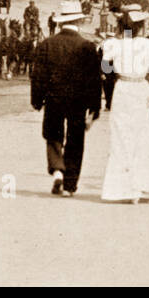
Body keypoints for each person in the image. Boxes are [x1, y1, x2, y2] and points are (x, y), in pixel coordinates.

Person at [100, 11, 149, 202]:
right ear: (140, 26)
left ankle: (121, 188)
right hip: (141, 89)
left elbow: (105, 69)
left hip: (122, 89)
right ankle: (140, 185)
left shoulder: (114, 44)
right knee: (142, 136)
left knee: (121, 137)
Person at [30, 11, 102, 196]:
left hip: (54, 98)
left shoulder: (47, 44)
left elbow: (37, 76)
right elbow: (94, 79)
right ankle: (70, 184)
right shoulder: (87, 46)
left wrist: (37, 99)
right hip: (78, 101)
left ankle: (56, 170)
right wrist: (95, 107)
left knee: (53, 134)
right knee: (75, 139)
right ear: (79, 21)